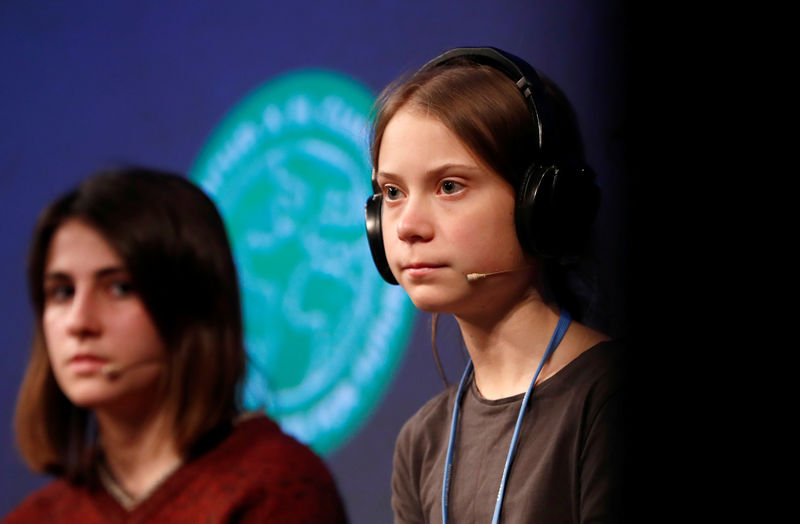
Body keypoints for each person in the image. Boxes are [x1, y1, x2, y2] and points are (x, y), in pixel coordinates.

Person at [365, 47, 625, 523]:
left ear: (541, 207)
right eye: (393, 193)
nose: (406, 227)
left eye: (449, 186)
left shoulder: (606, 398)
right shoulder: (423, 441)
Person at [3, 167, 348, 523]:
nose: (79, 322)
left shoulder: (276, 487)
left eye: (119, 288)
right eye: (62, 292)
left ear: (193, 305)